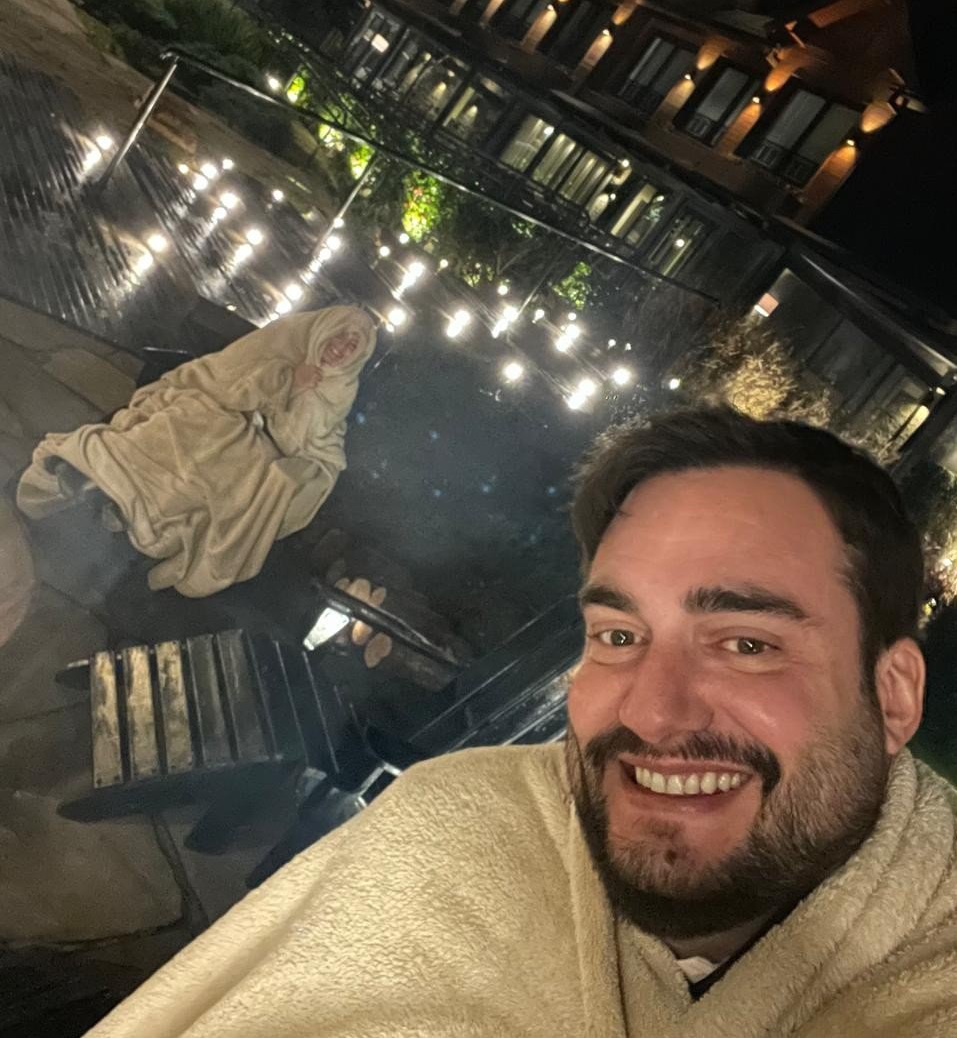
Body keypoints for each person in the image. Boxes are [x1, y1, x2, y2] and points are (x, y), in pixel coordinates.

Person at [85, 408, 957, 1036]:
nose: (651, 709)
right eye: (618, 634)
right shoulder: (456, 823)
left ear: (891, 696)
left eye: (745, 642)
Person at [17, 305, 376, 598]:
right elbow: (226, 379)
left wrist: (295, 400)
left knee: (227, 464)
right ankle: (101, 474)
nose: (341, 348)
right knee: (188, 421)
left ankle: (135, 508)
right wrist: (284, 380)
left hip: (257, 451)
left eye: (353, 346)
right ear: (324, 329)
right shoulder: (286, 339)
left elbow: (312, 447)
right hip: (218, 410)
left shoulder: (339, 391)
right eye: (340, 335)